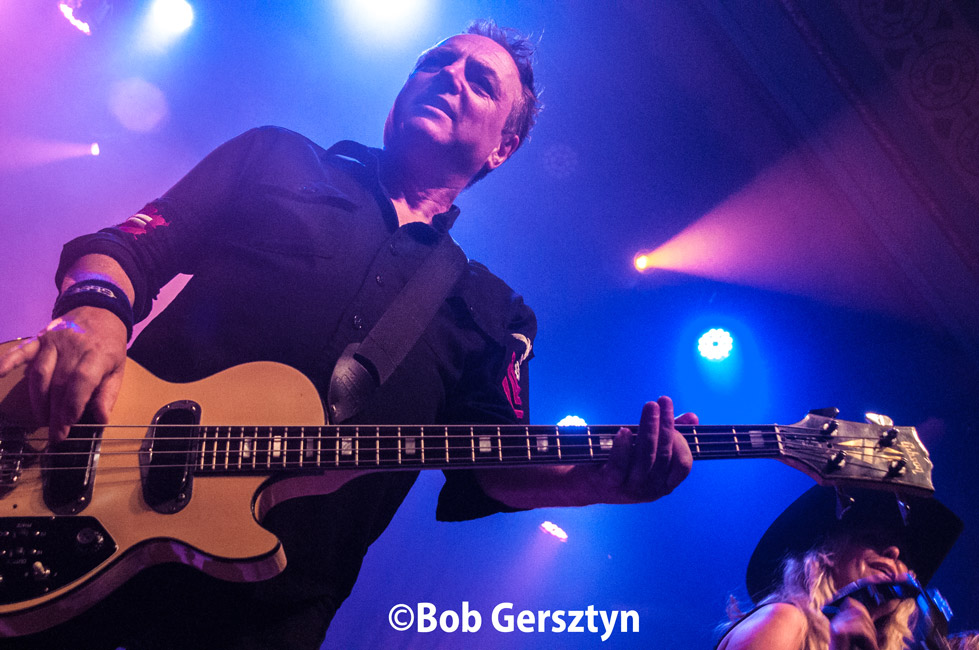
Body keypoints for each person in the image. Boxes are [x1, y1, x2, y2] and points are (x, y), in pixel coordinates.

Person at [0, 20, 695, 649]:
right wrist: (89, 317)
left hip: (263, 614)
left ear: (503, 147)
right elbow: (128, 246)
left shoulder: (491, 308)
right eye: (436, 62)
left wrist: (595, 482)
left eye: (479, 82)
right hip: (73, 501)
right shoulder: (276, 158)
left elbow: (494, 464)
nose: (449, 76)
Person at [715, 486, 963, 650]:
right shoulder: (784, 618)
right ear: (823, 552)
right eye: (872, 539)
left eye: (905, 556)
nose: (895, 553)